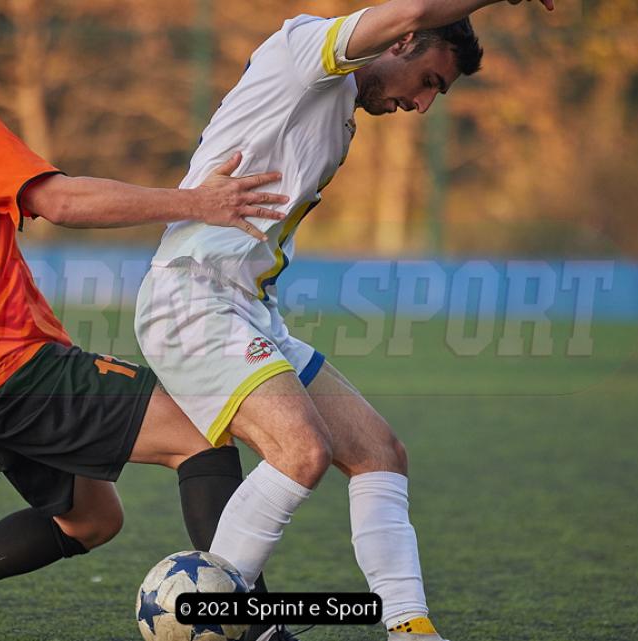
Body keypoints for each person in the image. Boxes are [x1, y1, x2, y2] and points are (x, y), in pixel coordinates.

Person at [0, 1, 296, 639]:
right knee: (202, 435)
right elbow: (60, 199)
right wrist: (197, 202)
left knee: (91, 521)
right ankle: (258, 629)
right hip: (9, 365)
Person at [134, 1, 553, 640]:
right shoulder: (305, 53)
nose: (423, 105)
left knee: (380, 453)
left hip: (247, 309)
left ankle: (411, 629)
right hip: (190, 300)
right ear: (402, 41)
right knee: (301, 453)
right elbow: (416, 7)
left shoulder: (338, 104)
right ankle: (212, 623)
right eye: (430, 81)